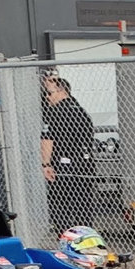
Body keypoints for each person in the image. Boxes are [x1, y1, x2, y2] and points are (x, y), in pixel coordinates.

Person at [41, 69, 100, 231]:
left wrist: (45, 165)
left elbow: (47, 140)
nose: (47, 98)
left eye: (50, 93)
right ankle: (85, 237)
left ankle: (66, 239)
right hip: (85, 165)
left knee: (61, 207)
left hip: (63, 166)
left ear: (61, 91)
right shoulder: (81, 111)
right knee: (83, 206)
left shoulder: (55, 112)